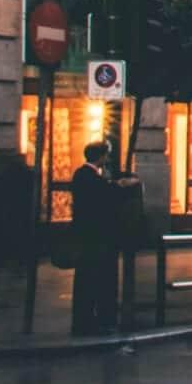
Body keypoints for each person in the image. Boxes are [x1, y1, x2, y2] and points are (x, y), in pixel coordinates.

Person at [68, 141, 128, 335]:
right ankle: (88, 322)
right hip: (94, 237)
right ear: (100, 157)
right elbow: (105, 197)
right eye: (105, 155)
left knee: (85, 280)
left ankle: (83, 320)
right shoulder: (91, 178)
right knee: (92, 279)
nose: (107, 159)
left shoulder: (81, 175)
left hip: (85, 235)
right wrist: (119, 186)